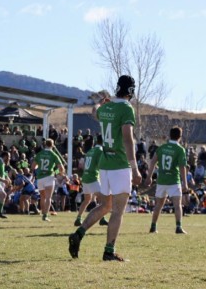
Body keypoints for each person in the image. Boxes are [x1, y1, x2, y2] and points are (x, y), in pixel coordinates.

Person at [69, 75, 142, 262]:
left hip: (105, 163)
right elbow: (127, 138)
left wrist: (102, 102)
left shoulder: (107, 107)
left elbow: (95, 111)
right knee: (118, 210)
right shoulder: (126, 108)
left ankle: (79, 232)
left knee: (105, 205)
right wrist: (135, 168)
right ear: (131, 91)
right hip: (119, 164)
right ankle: (109, 251)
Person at [144, 126, 188, 234]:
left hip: (161, 180)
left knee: (158, 205)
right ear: (180, 137)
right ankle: (178, 227)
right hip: (173, 180)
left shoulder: (162, 148)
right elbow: (182, 167)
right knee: (177, 204)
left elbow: (153, 161)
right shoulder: (180, 149)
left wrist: (149, 176)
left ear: (170, 135)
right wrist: (185, 183)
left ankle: (153, 227)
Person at [74, 135, 109, 227]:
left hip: (85, 177)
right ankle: (102, 218)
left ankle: (78, 218)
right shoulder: (100, 151)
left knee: (87, 200)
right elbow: (100, 165)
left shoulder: (90, 151)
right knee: (103, 199)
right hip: (93, 177)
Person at [31, 138, 65, 222]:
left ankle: (43, 213)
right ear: (52, 145)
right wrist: (57, 172)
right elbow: (61, 168)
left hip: (40, 178)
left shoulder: (39, 154)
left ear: (45, 144)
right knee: (48, 197)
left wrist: (39, 168)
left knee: (42, 197)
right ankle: (45, 215)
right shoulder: (53, 155)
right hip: (49, 177)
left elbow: (33, 167)